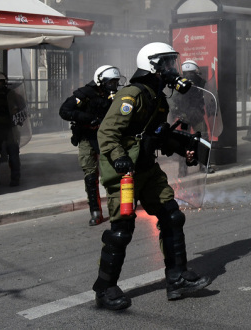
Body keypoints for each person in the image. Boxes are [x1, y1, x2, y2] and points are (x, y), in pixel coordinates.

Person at [91, 42, 210, 310]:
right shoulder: (131, 95)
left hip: (146, 168)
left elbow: (157, 135)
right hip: (126, 174)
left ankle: (177, 278)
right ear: (151, 65)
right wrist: (119, 157)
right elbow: (107, 133)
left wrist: (184, 147)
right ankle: (105, 288)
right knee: (122, 231)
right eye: (166, 63)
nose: (171, 68)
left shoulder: (157, 97)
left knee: (171, 215)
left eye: (172, 62)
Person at [59, 65, 122, 225]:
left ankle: (117, 208)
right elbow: (64, 111)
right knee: (90, 174)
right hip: (87, 137)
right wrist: (88, 119)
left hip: (106, 138)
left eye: (116, 82)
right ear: (100, 81)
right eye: (110, 83)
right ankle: (95, 211)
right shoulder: (85, 94)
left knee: (111, 173)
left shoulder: (113, 96)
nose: (113, 86)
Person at [171, 60, 216, 172]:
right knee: (197, 140)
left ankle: (197, 166)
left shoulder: (199, 83)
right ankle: (185, 168)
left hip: (192, 115)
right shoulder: (184, 83)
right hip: (187, 117)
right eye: (189, 73)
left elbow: (207, 96)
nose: (190, 76)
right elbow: (173, 100)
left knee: (199, 140)